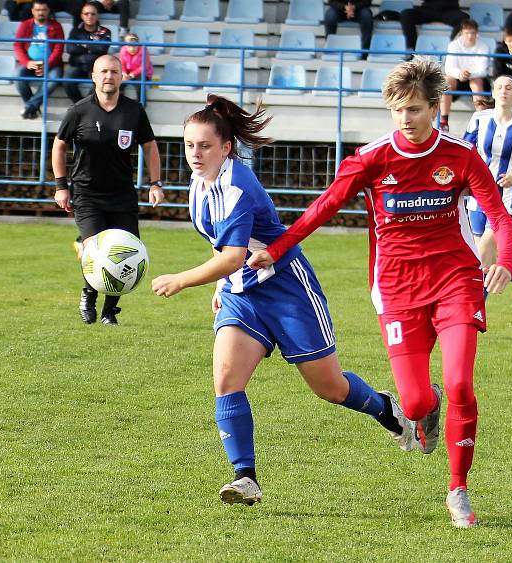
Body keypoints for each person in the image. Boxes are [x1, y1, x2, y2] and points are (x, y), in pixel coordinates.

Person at [247, 57, 512, 528]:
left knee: (460, 383)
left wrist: (506, 264)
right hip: (396, 289)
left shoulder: (460, 156)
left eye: (414, 109)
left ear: (435, 107)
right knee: (413, 404)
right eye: (397, 110)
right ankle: (424, 405)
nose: (405, 119)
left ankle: (458, 490)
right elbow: (324, 206)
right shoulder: (372, 159)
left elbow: (499, 215)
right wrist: (277, 249)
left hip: (456, 280)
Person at [150, 94, 416, 506]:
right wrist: (224, 287)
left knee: (330, 388)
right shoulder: (198, 185)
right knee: (226, 379)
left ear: (226, 147)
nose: (195, 154)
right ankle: (245, 477)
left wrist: (183, 280)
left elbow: (233, 256)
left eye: (204, 146)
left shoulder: (237, 185)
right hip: (245, 295)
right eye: (188, 145)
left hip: (288, 289)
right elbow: (225, 251)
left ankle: (387, 409)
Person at [52, 54, 165, 325]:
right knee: (96, 251)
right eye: (103, 71)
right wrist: (60, 186)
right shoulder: (79, 111)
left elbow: (149, 146)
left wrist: (155, 183)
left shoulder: (134, 110)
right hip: (87, 194)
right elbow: (59, 145)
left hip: (122, 195)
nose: (108, 76)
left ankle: (109, 310)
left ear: (122, 76)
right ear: (93, 76)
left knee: (124, 251)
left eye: (114, 71)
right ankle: (89, 296)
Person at [464, 75, 512, 302]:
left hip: (507, 198)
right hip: (478, 196)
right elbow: (465, 151)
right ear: (493, 93)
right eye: (499, 87)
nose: (504, 91)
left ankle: (475, 310)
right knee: (481, 258)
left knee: (481, 256)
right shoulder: (479, 120)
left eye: (509, 88)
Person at [13, 0, 64, 120]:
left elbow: (59, 49)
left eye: (43, 10)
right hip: (30, 63)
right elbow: (18, 45)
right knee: (17, 75)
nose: (40, 12)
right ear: (32, 11)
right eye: (37, 10)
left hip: (52, 64)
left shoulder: (56, 26)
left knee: (55, 78)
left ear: (48, 11)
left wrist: (46, 65)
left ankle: (29, 107)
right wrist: (27, 62)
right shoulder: (25, 25)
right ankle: (32, 108)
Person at [440, 20, 491, 131]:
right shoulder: (453, 45)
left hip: (476, 79)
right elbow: (449, 68)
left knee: (476, 82)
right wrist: (460, 74)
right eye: (467, 33)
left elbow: (483, 70)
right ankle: (444, 122)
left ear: (477, 33)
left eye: (472, 33)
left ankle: (481, 122)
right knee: (446, 82)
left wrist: (468, 74)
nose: (470, 36)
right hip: (458, 78)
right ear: (462, 33)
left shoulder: (484, 46)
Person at [64, 1, 111, 104]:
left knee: (100, 83)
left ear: (97, 15)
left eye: (93, 14)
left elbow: (102, 48)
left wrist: (83, 45)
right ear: (81, 16)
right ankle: (79, 105)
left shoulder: (105, 31)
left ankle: (83, 107)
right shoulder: (75, 31)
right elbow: (70, 49)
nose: (90, 16)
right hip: (78, 64)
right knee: (67, 80)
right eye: (86, 14)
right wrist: (92, 47)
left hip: (96, 67)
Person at [400, 0, 468, 52]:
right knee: (406, 14)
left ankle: (451, 48)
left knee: (464, 19)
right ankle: (410, 50)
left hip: (450, 10)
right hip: (428, 9)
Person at [119, 32, 154, 101]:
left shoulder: (144, 50)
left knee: (140, 83)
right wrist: (124, 73)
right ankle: (119, 103)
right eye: (129, 46)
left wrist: (132, 75)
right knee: (118, 82)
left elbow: (145, 66)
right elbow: (121, 64)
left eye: (134, 46)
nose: (132, 49)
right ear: (125, 46)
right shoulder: (123, 50)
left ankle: (140, 104)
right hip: (127, 73)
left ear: (138, 44)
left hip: (142, 73)